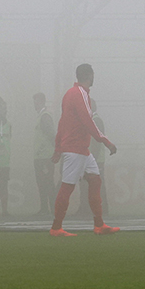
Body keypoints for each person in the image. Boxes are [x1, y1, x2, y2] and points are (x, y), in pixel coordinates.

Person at [50, 63, 118, 237]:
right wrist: (105, 141)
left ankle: (99, 224)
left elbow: (62, 122)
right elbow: (88, 120)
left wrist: (58, 147)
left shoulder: (69, 94)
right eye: (93, 75)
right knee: (67, 187)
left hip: (81, 149)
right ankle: (56, 228)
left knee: (95, 181)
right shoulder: (81, 94)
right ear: (89, 75)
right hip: (76, 148)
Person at [79, 98, 109, 216]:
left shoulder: (96, 121)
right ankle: (85, 209)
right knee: (86, 185)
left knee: (97, 185)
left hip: (94, 159)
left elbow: (97, 141)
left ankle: (102, 210)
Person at [32, 92, 57, 217]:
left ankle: (52, 208)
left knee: (47, 183)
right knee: (42, 183)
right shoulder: (41, 116)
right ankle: (45, 208)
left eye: (36, 101)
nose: (34, 104)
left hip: (45, 157)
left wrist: (56, 150)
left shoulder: (45, 116)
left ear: (41, 101)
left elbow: (51, 134)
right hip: (40, 156)